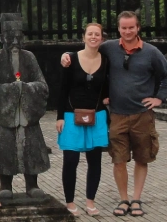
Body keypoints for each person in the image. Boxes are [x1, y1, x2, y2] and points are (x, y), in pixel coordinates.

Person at [61, 11, 167, 217]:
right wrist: (66, 54)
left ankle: (136, 199)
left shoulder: (151, 52)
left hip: (142, 114)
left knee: (142, 158)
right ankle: (123, 199)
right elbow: (88, 48)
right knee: (118, 159)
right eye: (123, 28)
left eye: (131, 27)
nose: (127, 31)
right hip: (117, 114)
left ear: (138, 28)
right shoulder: (110, 48)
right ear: (119, 29)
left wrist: (159, 98)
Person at [0, 13, 50, 199]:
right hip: (6, 114)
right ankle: (5, 185)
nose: (15, 42)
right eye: (11, 37)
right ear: (2, 37)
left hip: (27, 113)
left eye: (19, 37)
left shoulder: (29, 57)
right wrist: (10, 90)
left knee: (31, 146)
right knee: (4, 148)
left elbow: (42, 85)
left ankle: (32, 184)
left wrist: (25, 88)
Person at [56, 23, 109, 216]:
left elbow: (108, 84)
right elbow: (62, 89)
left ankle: (90, 201)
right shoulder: (70, 59)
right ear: (84, 37)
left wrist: (108, 97)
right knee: (71, 160)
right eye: (90, 34)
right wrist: (60, 116)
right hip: (71, 115)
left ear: (102, 38)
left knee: (95, 161)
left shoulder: (106, 60)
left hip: (97, 115)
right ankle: (70, 202)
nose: (93, 37)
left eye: (97, 34)